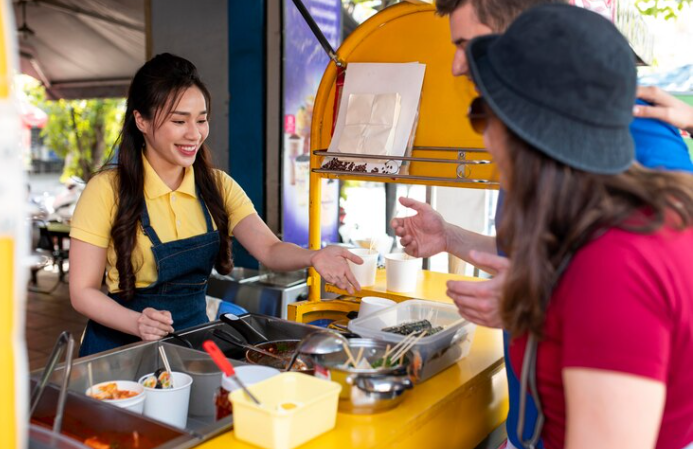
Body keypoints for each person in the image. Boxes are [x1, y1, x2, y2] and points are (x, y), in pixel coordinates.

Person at [393, 1, 693, 447]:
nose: (483, 137)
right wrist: (452, 237)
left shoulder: (614, 264)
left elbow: (635, 298)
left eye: (482, 112)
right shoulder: (579, 192)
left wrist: (531, 303)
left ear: (529, 125)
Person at [70, 53, 362, 357]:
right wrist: (136, 322)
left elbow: (270, 250)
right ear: (141, 120)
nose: (194, 134)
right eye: (179, 121)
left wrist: (314, 257)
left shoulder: (217, 186)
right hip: (120, 350)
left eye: (201, 119)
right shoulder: (106, 190)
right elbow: (82, 292)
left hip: (192, 345)